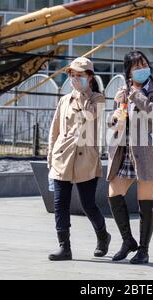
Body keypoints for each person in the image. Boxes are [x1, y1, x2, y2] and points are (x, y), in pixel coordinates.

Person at [106, 50, 153, 265]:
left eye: (144, 64)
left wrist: (135, 94)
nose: (142, 69)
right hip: (124, 151)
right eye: (136, 66)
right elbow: (113, 119)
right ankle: (127, 241)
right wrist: (114, 118)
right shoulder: (122, 92)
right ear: (129, 71)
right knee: (114, 194)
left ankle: (143, 250)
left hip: (147, 152)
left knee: (145, 202)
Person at [47, 57, 110, 261]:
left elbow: (89, 118)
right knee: (60, 204)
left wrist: (83, 93)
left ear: (90, 77)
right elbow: (54, 130)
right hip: (62, 157)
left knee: (88, 205)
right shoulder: (64, 100)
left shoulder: (97, 99)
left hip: (86, 158)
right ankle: (64, 247)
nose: (75, 79)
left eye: (80, 76)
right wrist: (50, 157)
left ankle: (103, 236)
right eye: (72, 75)